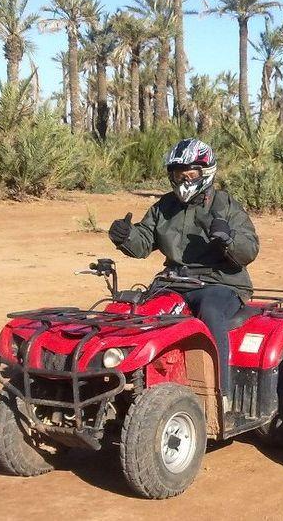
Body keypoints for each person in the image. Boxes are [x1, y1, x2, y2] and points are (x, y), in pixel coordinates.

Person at [107, 138, 259, 403]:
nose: (185, 180)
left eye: (191, 174)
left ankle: (222, 392)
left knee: (210, 312)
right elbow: (143, 242)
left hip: (220, 282)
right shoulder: (164, 207)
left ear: (205, 172)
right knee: (134, 311)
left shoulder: (226, 205)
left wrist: (228, 239)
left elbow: (249, 250)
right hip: (174, 281)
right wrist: (125, 236)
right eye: (179, 175)